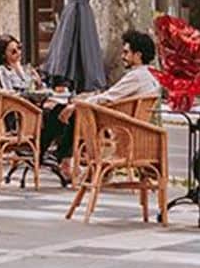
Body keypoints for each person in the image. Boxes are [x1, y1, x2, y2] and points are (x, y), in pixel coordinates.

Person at [44, 29, 161, 182]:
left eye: (126, 53)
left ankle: (52, 154)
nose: (122, 56)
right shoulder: (152, 76)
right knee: (70, 109)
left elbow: (108, 97)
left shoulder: (136, 77)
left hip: (118, 127)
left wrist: (78, 103)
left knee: (62, 111)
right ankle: (58, 155)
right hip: (131, 125)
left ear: (138, 55)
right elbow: (112, 96)